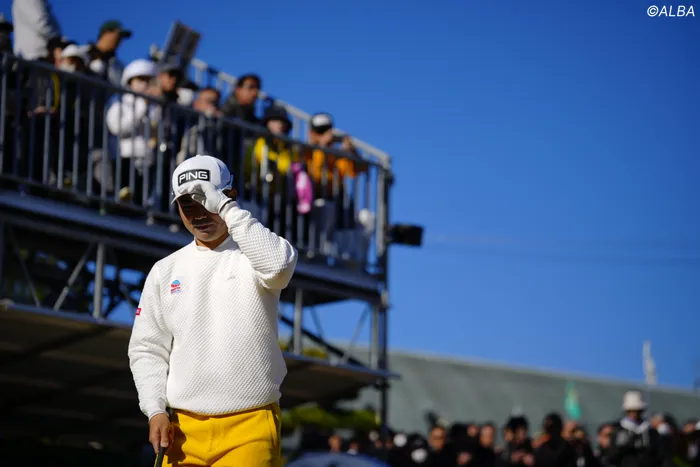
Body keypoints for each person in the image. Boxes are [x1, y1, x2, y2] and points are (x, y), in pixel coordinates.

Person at [128, 154, 298, 466]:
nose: (199, 214)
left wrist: (225, 207)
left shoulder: (255, 254)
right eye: (188, 205)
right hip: (181, 430)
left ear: (230, 195)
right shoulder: (165, 270)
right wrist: (154, 409)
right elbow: (146, 347)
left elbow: (279, 267)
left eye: (207, 201)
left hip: (251, 423)